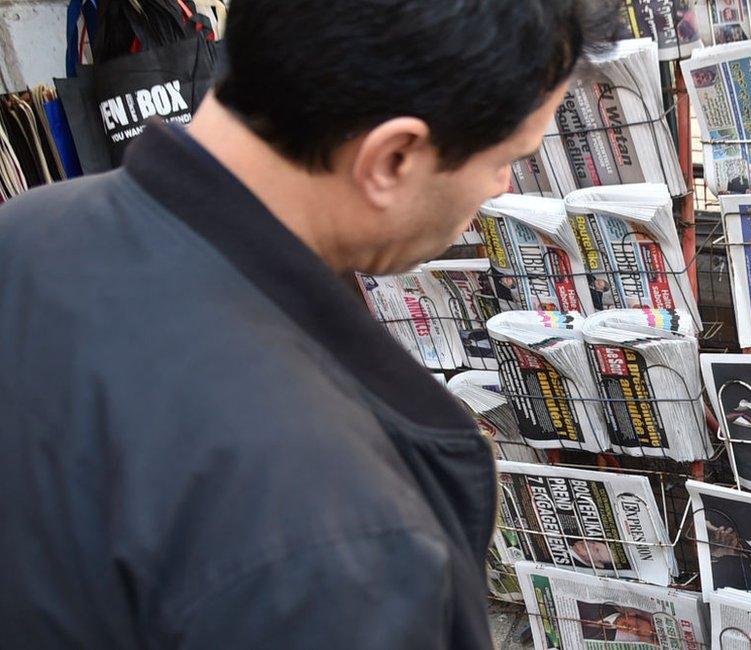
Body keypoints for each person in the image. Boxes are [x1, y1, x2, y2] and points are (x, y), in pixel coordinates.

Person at [0, 1, 619, 647]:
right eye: (505, 158)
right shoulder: (341, 529)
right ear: (392, 158)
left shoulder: (27, 231)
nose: (501, 186)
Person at [577, 602, 660, 643]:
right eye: (637, 625)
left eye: (637, 632)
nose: (632, 628)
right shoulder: (603, 605)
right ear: (631, 614)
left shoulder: (609, 638)